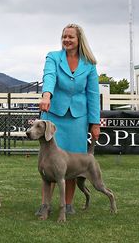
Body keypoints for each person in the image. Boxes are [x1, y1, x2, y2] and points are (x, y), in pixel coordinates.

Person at [36, 23, 100, 215]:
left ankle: (68, 204)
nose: (67, 40)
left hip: (78, 119)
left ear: (79, 40)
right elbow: (49, 76)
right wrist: (46, 95)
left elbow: (93, 94)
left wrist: (95, 122)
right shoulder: (53, 57)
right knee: (49, 164)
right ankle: (45, 204)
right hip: (53, 115)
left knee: (72, 163)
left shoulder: (89, 64)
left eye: (70, 37)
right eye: (64, 36)